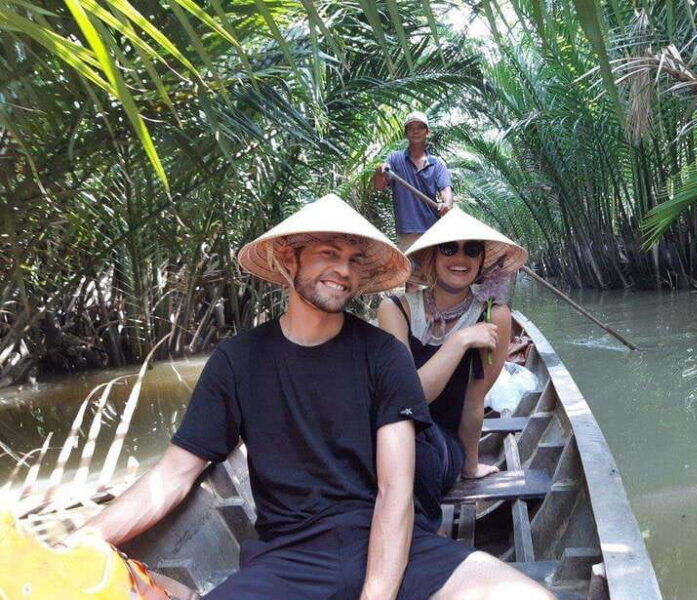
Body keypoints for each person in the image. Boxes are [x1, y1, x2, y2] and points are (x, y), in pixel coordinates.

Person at [74, 195, 552, 600]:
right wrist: (80, 541)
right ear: (289, 259)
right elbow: (174, 475)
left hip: (392, 547)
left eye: (352, 261)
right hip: (288, 560)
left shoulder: (383, 355)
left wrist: (377, 593)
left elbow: (396, 491)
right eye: (327, 253)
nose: (341, 271)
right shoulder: (238, 360)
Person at [378, 207, 529, 512]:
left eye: (472, 251)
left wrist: (471, 466)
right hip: (393, 430)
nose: (461, 259)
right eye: (449, 248)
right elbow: (410, 398)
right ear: (432, 256)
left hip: (440, 443)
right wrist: (460, 341)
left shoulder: (494, 316)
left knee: (414, 454)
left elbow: (474, 401)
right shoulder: (394, 309)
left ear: (480, 262)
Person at [373, 111, 455, 252]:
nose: (415, 131)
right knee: (412, 273)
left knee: (432, 273)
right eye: (411, 128)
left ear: (427, 132)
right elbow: (379, 186)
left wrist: (447, 204)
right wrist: (379, 171)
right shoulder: (395, 158)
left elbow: (446, 190)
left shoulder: (437, 164)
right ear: (406, 134)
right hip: (408, 233)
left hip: (433, 232)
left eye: (420, 127)